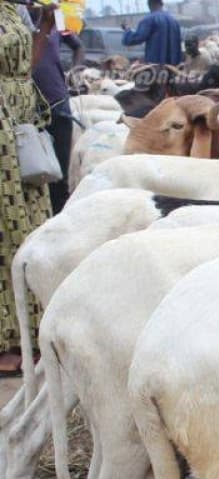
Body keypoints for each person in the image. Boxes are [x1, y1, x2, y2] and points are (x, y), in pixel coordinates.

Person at [0, 0, 55, 375]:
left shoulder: (15, 12)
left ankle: (33, 330)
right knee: (5, 228)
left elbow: (26, 67)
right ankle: (7, 339)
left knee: (32, 225)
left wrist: (45, 27)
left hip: (20, 117)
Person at [26, 3, 82, 214]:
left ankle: (57, 219)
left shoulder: (54, 18)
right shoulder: (13, 21)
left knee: (59, 174)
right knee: (31, 173)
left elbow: (77, 45)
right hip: (24, 109)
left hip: (57, 103)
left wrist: (75, 69)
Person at [121, 0, 182, 66]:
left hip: (156, 67)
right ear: (162, 4)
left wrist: (127, 30)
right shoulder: (174, 21)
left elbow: (137, 38)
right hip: (174, 68)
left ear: (149, 5)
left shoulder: (149, 20)